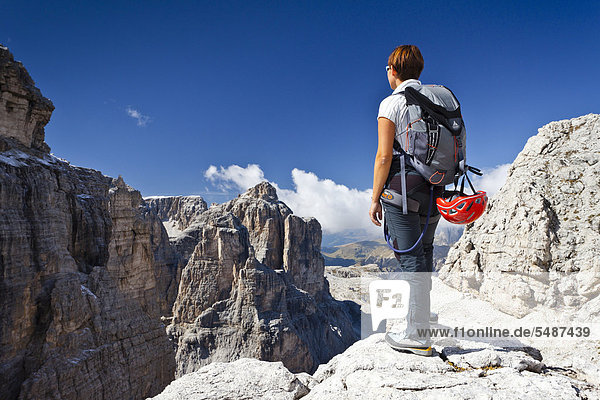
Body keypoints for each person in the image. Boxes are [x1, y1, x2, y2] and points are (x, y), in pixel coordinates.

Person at [369, 45, 444, 356]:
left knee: (410, 260)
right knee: (425, 254)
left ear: (392, 70)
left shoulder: (392, 103)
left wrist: (375, 199)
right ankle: (421, 323)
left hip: (402, 192)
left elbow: (384, 156)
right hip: (436, 189)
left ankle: (415, 335)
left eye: (388, 69)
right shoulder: (437, 100)